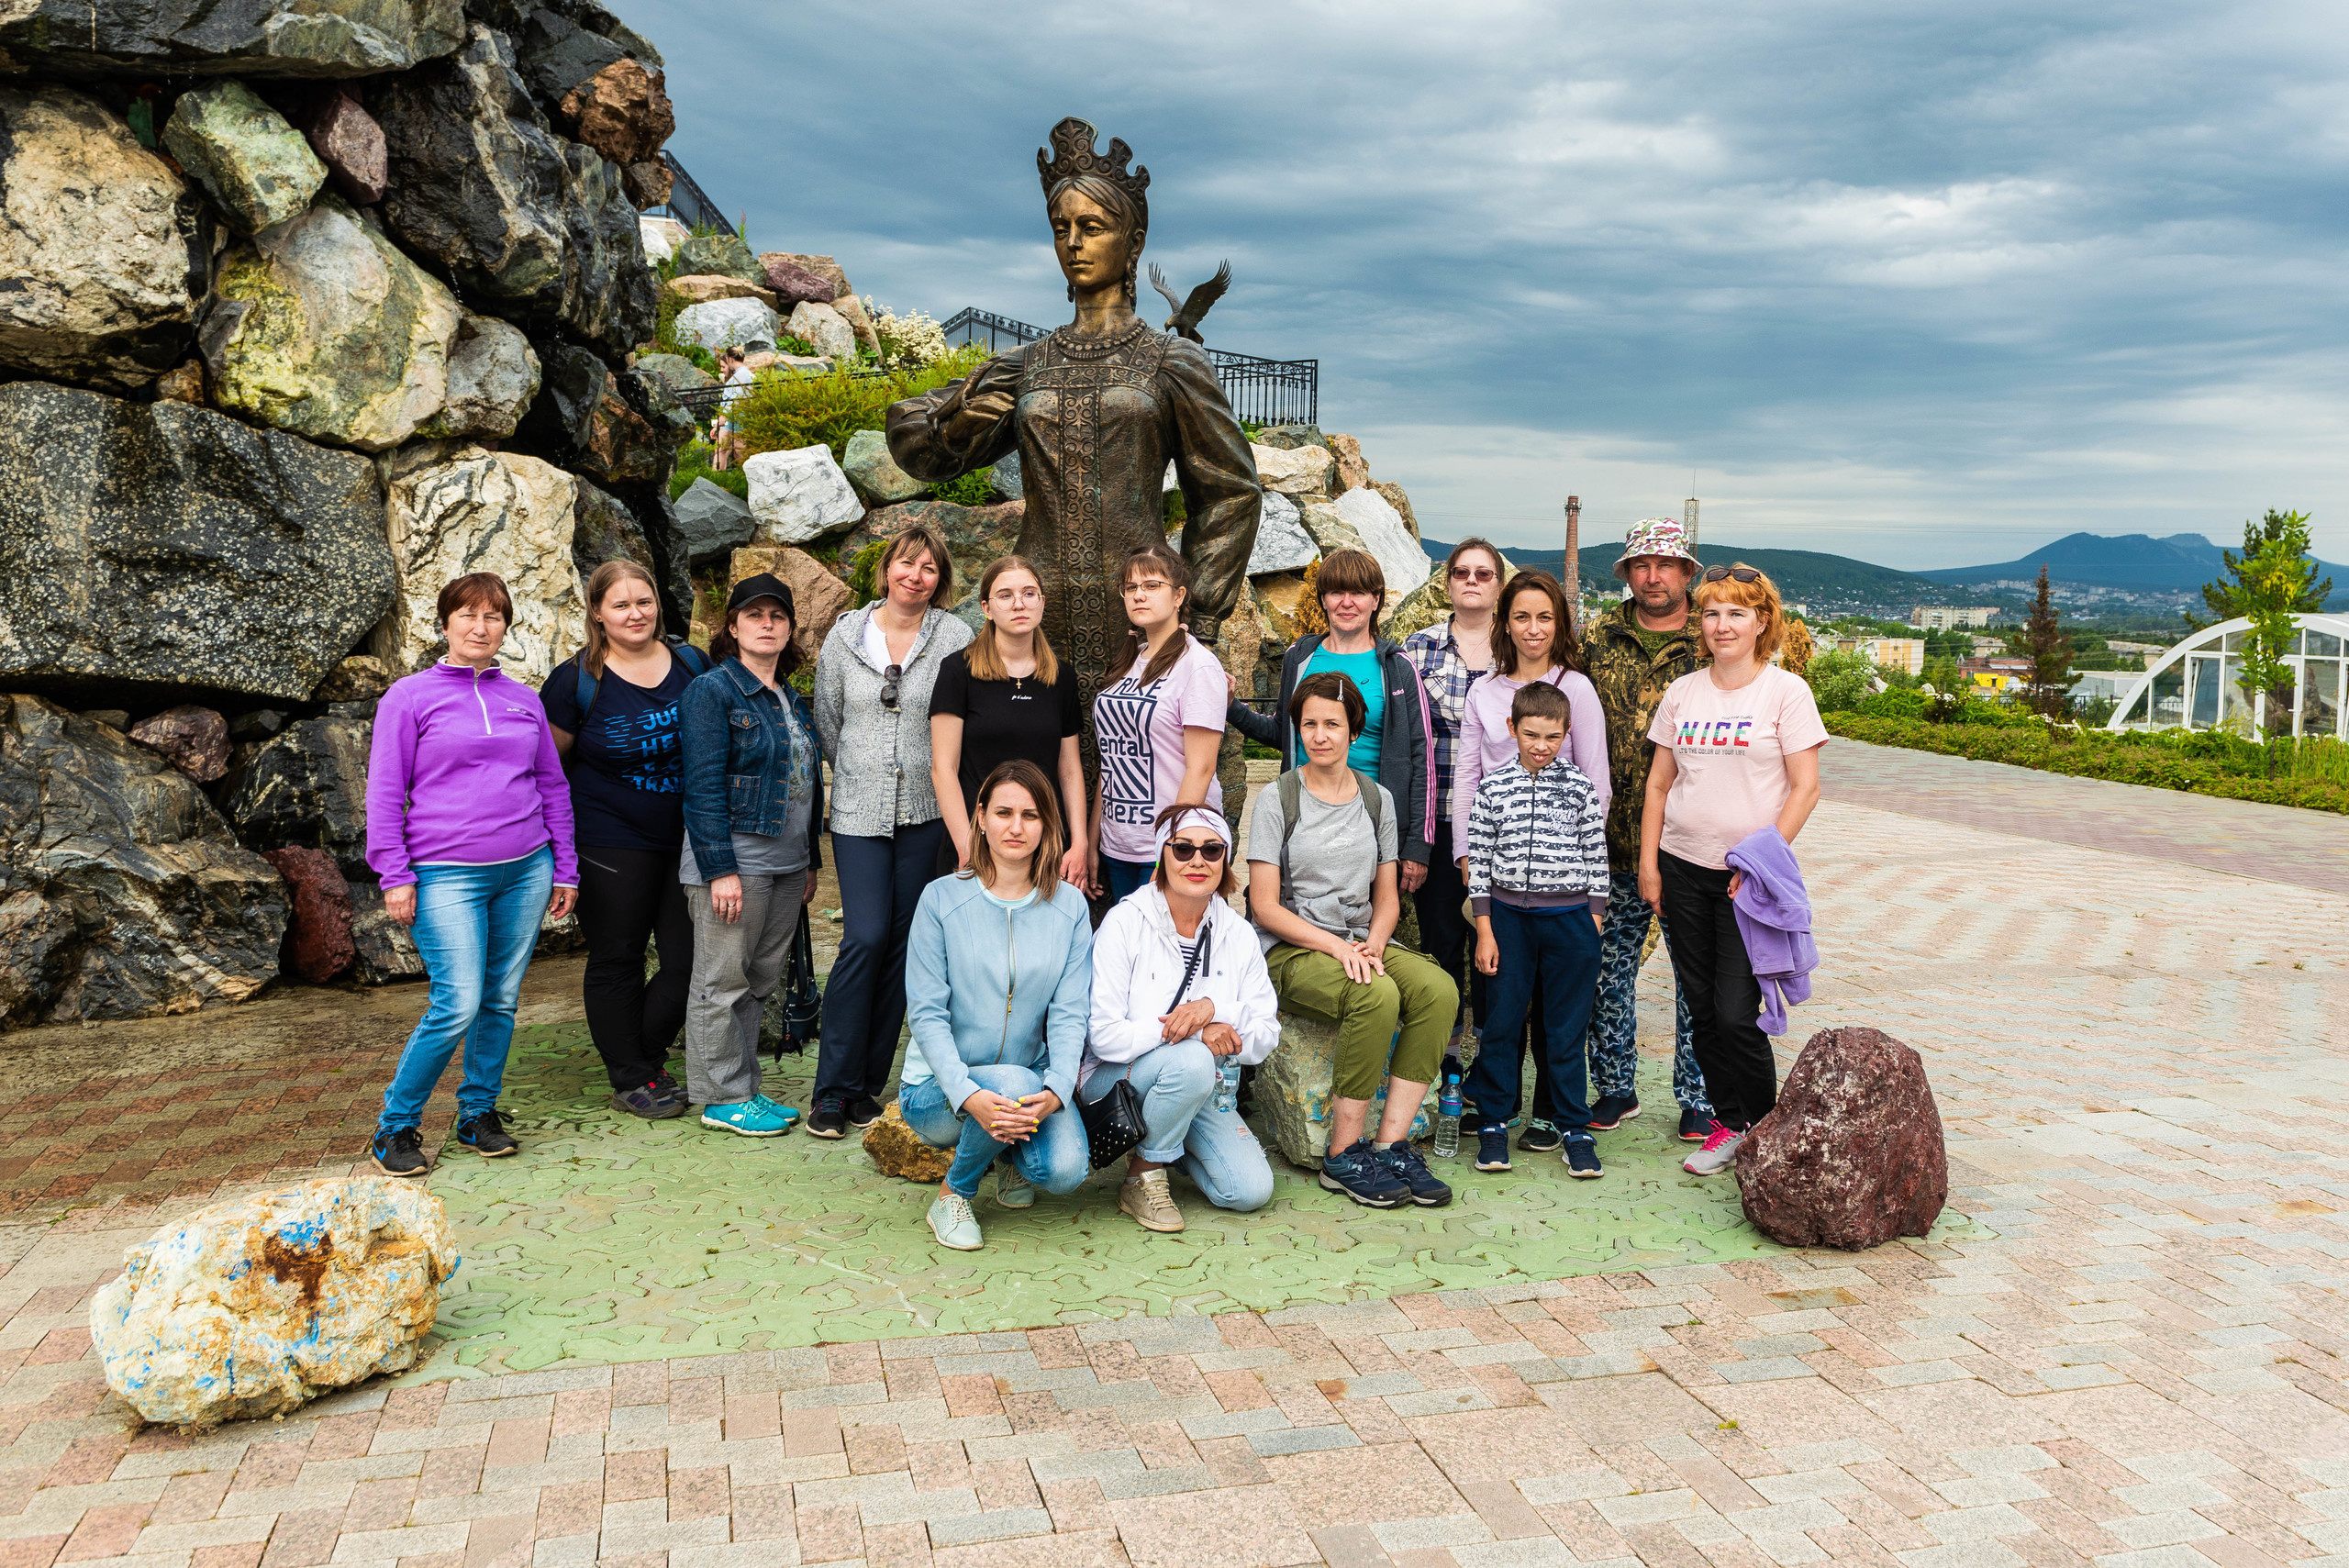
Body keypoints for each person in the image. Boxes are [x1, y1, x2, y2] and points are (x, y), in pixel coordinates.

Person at [884, 117, 1262, 697]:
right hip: (1034, 609)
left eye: (1093, 226)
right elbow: (918, 445)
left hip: (1139, 607)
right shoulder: (1029, 363)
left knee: (1142, 774)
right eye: (1062, 228)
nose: (1074, 242)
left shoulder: (1172, 361)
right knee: (1032, 774)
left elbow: (1229, 492)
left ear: (1133, 242)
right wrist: (954, 427)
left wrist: (1198, 620)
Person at [363, 573, 576, 1177]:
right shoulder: (408, 697)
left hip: (526, 869)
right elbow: (384, 793)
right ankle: (396, 1125)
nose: (481, 627)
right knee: (457, 1000)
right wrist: (394, 874)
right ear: (446, 623)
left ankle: (477, 1112)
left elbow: (552, 787)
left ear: (506, 627)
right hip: (445, 875)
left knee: (501, 997)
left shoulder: (523, 698)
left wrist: (566, 866)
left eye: (493, 617)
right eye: (467, 615)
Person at [1640, 563, 1826, 1176]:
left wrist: (1759, 859)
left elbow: (1805, 788)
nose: (1722, 625)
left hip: (1747, 880)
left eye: (1737, 613)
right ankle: (1729, 1125)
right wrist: (1650, 865)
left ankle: (1765, 1129)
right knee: (1700, 1008)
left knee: (1735, 1012)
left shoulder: (1785, 692)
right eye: (1713, 612)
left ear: (1761, 621)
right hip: (1683, 869)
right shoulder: (1684, 692)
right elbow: (1660, 783)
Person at [1248, 673, 1457, 1211]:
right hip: (1292, 947)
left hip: (1361, 938)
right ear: (1297, 730)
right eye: (1309, 724)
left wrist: (1374, 944)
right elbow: (1265, 904)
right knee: (1376, 996)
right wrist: (1336, 948)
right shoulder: (1280, 798)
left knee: (1438, 990)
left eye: (1332, 725)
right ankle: (1343, 1155)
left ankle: (1391, 1143)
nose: (1320, 735)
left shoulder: (1376, 798)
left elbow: (1386, 896)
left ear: (1353, 731)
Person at [809, 525, 974, 1139]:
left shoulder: (956, 636)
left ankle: (864, 1087)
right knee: (865, 937)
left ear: (941, 579)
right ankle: (830, 1088)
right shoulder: (847, 633)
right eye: (907, 563)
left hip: (926, 814)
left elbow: (964, 713)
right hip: (856, 811)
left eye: (929, 567)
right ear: (887, 570)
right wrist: (858, 768)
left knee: (905, 948)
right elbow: (828, 718)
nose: (916, 575)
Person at [541, 560, 712, 1120]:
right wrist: (557, 851)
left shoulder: (691, 663)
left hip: (687, 839)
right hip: (609, 840)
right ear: (597, 613)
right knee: (618, 958)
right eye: (620, 604)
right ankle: (633, 1076)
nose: (635, 613)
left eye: (644, 601)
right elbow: (547, 767)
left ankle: (642, 1054)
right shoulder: (576, 682)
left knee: (690, 961)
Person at [901, 760, 1094, 1251]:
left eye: (1031, 815)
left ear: (1047, 826)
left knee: (1066, 1170)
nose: (1016, 827)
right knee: (1008, 1082)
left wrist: (1057, 1089)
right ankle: (954, 1194)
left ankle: (1009, 1159)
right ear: (980, 817)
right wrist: (965, 1092)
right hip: (938, 1092)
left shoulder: (1070, 907)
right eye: (1004, 812)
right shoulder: (941, 899)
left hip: (1027, 1080)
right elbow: (926, 1012)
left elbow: (1071, 1012)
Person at [1449, 570, 1607, 1154]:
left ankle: (1558, 1119)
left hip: (1565, 892)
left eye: (1544, 617)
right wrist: (1469, 855)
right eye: (1521, 616)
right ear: (1504, 622)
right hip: (1502, 882)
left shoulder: (1578, 690)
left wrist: (1592, 907)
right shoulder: (1485, 691)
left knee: (1562, 1018)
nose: (1533, 628)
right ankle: (1498, 1111)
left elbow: (1595, 781)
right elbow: (1468, 777)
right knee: (1502, 1007)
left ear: (1558, 623)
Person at [1084, 804, 1279, 1233]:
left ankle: (1174, 1134)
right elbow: (1103, 1038)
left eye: (1212, 850)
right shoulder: (1124, 923)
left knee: (1248, 1191)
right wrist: (1191, 1030)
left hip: (1204, 1088)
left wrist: (1216, 1009)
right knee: (1192, 1061)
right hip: (1115, 1079)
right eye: (1183, 848)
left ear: (1224, 859)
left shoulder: (1237, 934)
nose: (1197, 861)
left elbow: (1266, 1034)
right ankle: (1142, 1176)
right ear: (1162, 856)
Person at [677, 573, 823, 1137]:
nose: (767, 624)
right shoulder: (712, 692)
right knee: (721, 981)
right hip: (734, 866)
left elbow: (804, 785)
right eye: (754, 615)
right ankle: (720, 1097)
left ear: (788, 629)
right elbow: (703, 786)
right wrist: (720, 871)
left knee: (761, 979)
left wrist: (809, 861)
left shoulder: (790, 698)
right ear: (733, 627)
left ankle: (745, 1088)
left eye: (777, 616)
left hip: (785, 867)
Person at [1583, 518, 1715, 1141]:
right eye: (1641, 565)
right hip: (1611, 840)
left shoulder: (1710, 639)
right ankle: (1614, 1087)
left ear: (1688, 571)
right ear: (1627, 573)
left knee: (1696, 976)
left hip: (1690, 843)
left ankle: (1698, 1094)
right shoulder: (1599, 635)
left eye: (1666, 564)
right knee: (1608, 973)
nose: (1653, 576)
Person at [1463, 683, 1610, 1178]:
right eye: (1531, 735)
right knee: (1502, 1024)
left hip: (1570, 924)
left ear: (1567, 733)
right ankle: (1494, 1123)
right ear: (1512, 730)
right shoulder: (1493, 788)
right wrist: (1485, 929)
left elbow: (1596, 856)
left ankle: (1574, 1128)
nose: (1541, 745)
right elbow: (1479, 861)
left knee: (1565, 1031)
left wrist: (1591, 921)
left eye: (1552, 736)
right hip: (1507, 922)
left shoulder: (1580, 789)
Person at [1229, 547, 1434, 896]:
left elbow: (1422, 757)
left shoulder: (1397, 668)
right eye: (1337, 592)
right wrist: (1230, 706)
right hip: (1305, 817)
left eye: (1358, 592)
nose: (1347, 602)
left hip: (1374, 821)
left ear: (1376, 600)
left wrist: (1417, 844)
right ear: (1323, 600)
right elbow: (1285, 732)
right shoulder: (1300, 657)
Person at [930, 555, 1089, 889]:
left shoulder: (1061, 677)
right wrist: (966, 845)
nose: (1019, 604)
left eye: (1029, 593)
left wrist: (1079, 843)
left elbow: (1070, 768)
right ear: (987, 608)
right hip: (978, 840)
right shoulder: (959, 671)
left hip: (1043, 843)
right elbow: (943, 768)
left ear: (1042, 603)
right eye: (1005, 595)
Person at [1402, 539, 1506, 1051]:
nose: (1472, 580)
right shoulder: (1416, 650)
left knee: (1495, 946)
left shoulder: (1517, 648)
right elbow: (1404, 739)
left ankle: (1489, 1060)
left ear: (1498, 585)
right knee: (1442, 939)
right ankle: (1440, 1054)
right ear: (1447, 583)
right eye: (1462, 572)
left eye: (1483, 573)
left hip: (1505, 827)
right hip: (1438, 820)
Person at [1092, 544, 1228, 902]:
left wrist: (1172, 847)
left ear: (1179, 595)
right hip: (1117, 843)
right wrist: (1094, 841)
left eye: (1152, 585)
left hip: (1175, 848)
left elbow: (1201, 768)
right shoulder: (1128, 663)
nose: (1139, 595)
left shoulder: (1197, 666)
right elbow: (1111, 760)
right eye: (1131, 587)